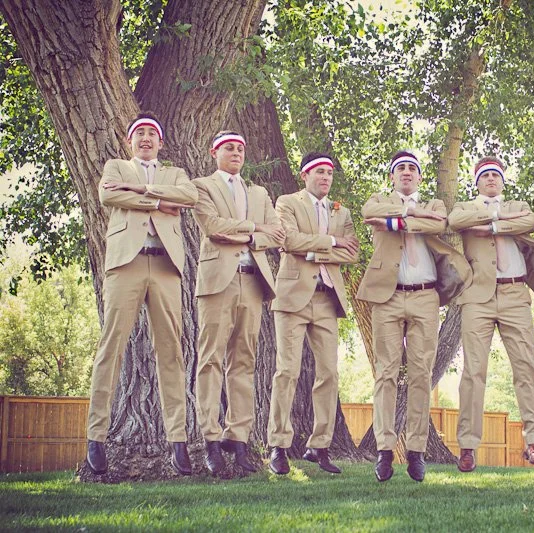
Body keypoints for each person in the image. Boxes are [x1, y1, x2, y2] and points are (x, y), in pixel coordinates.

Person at [86, 112, 197, 476]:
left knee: (171, 352)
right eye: (140, 133)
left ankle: (177, 440)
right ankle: (96, 436)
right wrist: (156, 202)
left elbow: (188, 196)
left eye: (153, 133)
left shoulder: (175, 174)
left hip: (165, 266)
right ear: (130, 141)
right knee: (111, 347)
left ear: (160, 142)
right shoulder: (116, 167)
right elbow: (106, 194)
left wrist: (142, 191)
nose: (146, 138)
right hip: (125, 264)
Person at [357, 151, 470, 482]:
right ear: (393, 177)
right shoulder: (378, 199)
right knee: (386, 374)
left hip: (425, 297)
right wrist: (409, 215)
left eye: (412, 169)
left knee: (422, 374)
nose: (406, 173)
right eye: (400, 169)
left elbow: (439, 223)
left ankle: (417, 453)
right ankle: (384, 451)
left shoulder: (434, 205)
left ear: (419, 177)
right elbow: (370, 212)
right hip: (387, 297)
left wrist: (394, 222)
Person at [448, 157, 534, 472]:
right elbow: (456, 221)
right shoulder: (464, 207)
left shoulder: (519, 205)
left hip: (516, 295)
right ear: (477, 182)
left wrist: (491, 224)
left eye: (495, 176)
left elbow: (530, 222)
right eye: (484, 176)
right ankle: (468, 447)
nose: (490, 180)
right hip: (478, 297)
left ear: (502, 181)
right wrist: (495, 218)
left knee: (527, 368)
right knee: (474, 372)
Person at [192, 131, 285, 475]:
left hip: (254, 281)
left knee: (244, 361)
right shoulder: (202, 186)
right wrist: (253, 228)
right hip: (219, 280)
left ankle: (239, 439)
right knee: (211, 358)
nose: (236, 153)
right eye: (229, 148)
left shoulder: (259, 193)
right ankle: (211, 439)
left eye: (241, 148)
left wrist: (250, 232)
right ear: (215, 151)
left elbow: (276, 234)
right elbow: (212, 226)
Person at [267, 152, 359, 475]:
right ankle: (278, 445)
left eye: (329, 173)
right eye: (319, 172)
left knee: (329, 374)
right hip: (293, 295)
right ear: (305, 175)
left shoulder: (341, 210)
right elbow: (288, 240)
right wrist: (331, 242)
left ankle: (319, 445)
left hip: (327, 299)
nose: (325, 178)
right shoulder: (287, 203)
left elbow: (353, 252)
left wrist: (314, 249)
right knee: (287, 371)